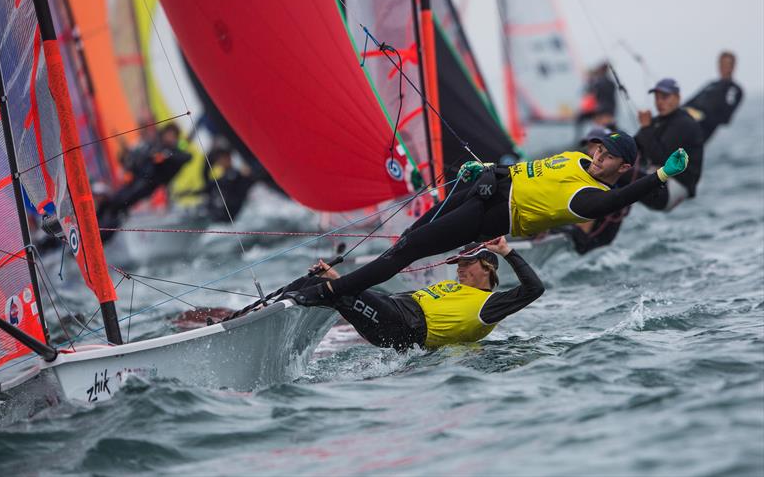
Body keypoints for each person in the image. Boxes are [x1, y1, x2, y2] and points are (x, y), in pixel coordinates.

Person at [287, 131, 689, 305]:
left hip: (493, 215)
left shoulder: (591, 199)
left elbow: (625, 195)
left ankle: (330, 294)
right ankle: (330, 285)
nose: (599, 156)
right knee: (406, 236)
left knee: (406, 252)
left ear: (622, 168)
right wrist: (486, 168)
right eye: (600, 149)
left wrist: (662, 176)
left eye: (608, 157)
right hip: (483, 187)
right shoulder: (577, 158)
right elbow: (528, 170)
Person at [296, 237, 543, 350]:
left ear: (487, 267)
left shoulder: (490, 305)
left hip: (401, 325)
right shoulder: (453, 288)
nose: (460, 268)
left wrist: (507, 252)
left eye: (467, 263)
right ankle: (270, 306)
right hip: (392, 309)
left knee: (334, 291)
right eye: (458, 263)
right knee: (322, 283)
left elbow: (535, 289)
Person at [98, 124, 192, 239]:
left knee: (119, 207)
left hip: (147, 186)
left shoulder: (176, 151)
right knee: (109, 202)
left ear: (176, 138)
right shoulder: (153, 147)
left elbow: (187, 157)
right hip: (135, 181)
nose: (169, 137)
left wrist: (166, 155)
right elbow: (136, 160)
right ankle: (90, 225)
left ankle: (100, 237)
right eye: (167, 134)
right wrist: (126, 152)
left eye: (172, 136)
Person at [556, 128, 636, 254]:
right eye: (597, 149)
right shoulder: (585, 165)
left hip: (592, 245)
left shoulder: (610, 178)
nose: (591, 152)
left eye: (595, 147)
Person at [636, 78, 704, 212]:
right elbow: (635, 146)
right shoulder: (656, 122)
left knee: (624, 175)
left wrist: (645, 128)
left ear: (678, 98)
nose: (659, 102)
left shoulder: (684, 123)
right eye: (657, 98)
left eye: (665, 97)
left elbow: (661, 158)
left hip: (674, 188)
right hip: (659, 180)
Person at [684, 51, 744, 142]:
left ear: (733, 67)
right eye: (721, 64)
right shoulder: (711, 84)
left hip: (698, 134)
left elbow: (725, 118)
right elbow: (689, 102)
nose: (723, 67)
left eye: (726, 64)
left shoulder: (733, 89)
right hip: (684, 124)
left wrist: (700, 115)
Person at [202, 142, 256, 221]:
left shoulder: (237, 175)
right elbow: (207, 182)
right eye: (218, 159)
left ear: (229, 158)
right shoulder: (223, 177)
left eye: (221, 158)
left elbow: (224, 183)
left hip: (230, 218)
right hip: (217, 217)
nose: (219, 162)